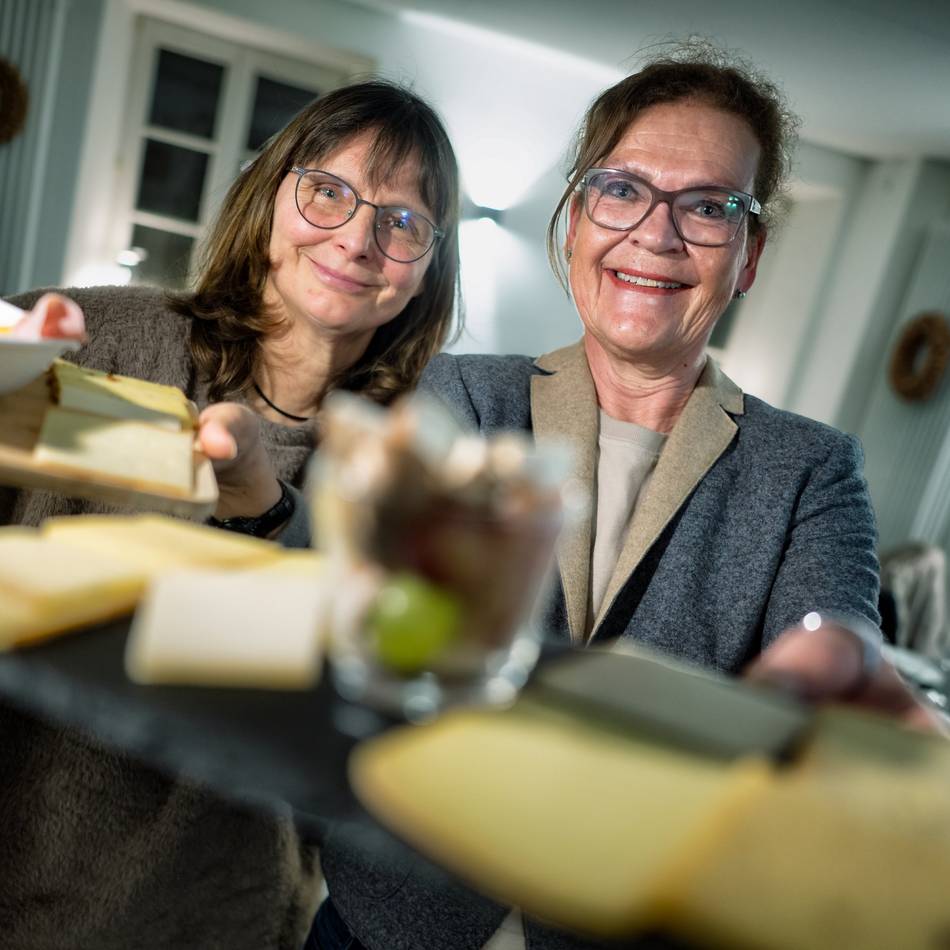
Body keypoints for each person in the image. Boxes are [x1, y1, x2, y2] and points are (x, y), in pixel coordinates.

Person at [311, 42, 914, 950]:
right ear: (575, 220)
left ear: (748, 255)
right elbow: (361, 607)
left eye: (710, 207)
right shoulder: (462, 396)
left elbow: (834, 627)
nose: (658, 235)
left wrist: (841, 664)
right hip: (395, 919)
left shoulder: (812, 468)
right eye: (624, 189)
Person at [0, 79, 460, 949]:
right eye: (329, 191)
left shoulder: (410, 463)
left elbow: (359, 721)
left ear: (430, 266)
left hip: (210, 911)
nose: (359, 238)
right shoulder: (97, 334)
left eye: (403, 222)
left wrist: (261, 514)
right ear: (270, 194)